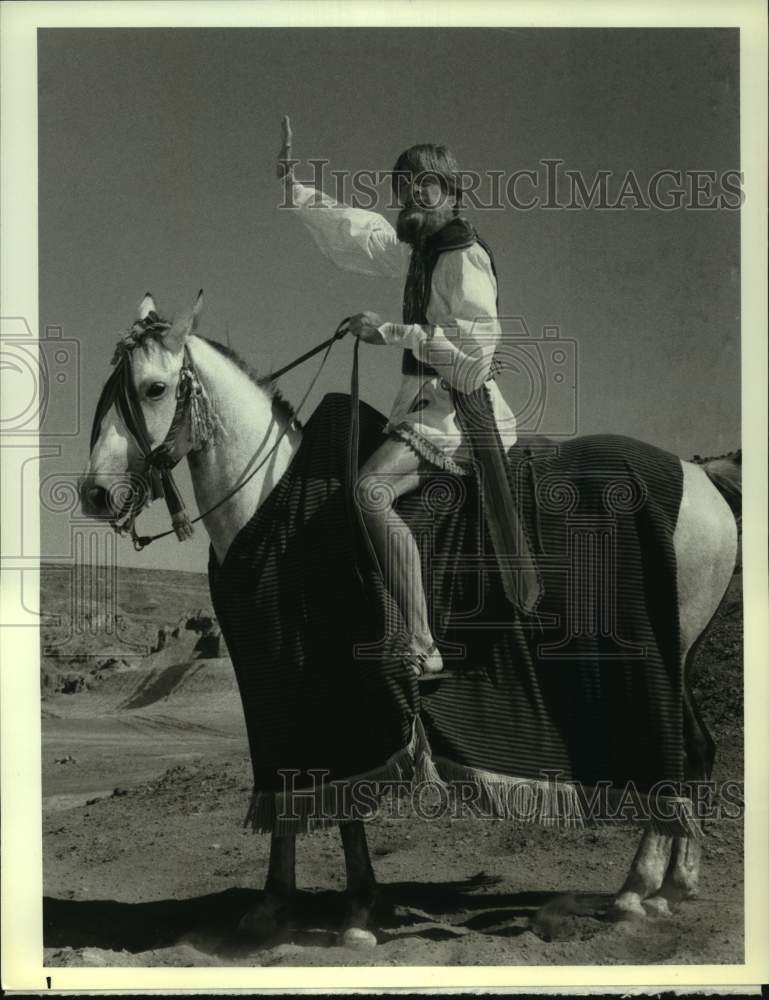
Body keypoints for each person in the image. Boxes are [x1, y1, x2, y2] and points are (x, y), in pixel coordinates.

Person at [277, 116, 530, 679]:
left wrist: (391, 331)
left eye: (424, 188)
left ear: (451, 195)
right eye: (403, 191)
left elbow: (473, 364)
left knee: (368, 492)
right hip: (423, 410)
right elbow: (357, 234)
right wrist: (296, 189)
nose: (410, 200)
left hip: (457, 417)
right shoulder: (419, 252)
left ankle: (421, 641)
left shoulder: (463, 258)